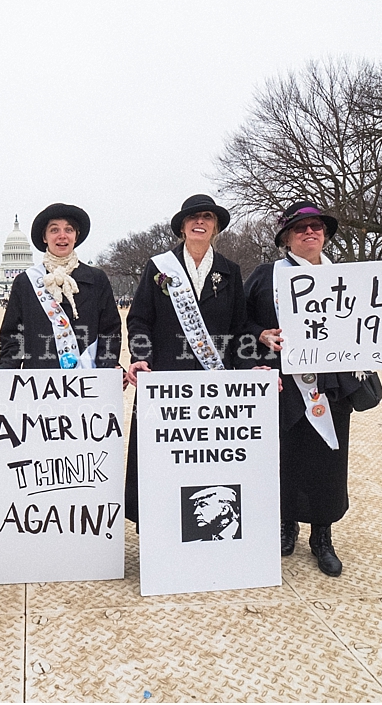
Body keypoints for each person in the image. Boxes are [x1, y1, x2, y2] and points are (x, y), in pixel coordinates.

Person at [244, 201, 367, 578]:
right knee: (284, 458)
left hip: (330, 387)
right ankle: (286, 525)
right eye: (301, 229)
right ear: (286, 239)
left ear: (325, 235)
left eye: (316, 227)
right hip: (282, 384)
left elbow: (374, 323)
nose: (310, 233)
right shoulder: (266, 276)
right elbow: (239, 322)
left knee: (328, 461)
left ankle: (322, 536)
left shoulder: (349, 278)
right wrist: (259, 335)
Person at [125, 194, 258, 527]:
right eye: (193, 218)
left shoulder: (230, 271)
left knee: (208, 458)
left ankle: (207, 530)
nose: (200, 222)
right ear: (182, 227)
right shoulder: (159, 268)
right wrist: (141, 357)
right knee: (160, 459)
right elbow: (139, 319)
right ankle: (158, 529)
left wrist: (247, 367)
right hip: (166, 381)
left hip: (215, 385)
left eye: (208, 218)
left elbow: (240, 328)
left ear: (215, 227)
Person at [0, 203, 121, 375]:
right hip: (40, 380)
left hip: (88, 380)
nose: (62, 236)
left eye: (69, 229)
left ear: (76, 236)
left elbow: (109, 330)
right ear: (44, 237)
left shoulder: (96, 279)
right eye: (54, 230)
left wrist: (108, 367)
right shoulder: (25, 282)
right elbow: (13, 336)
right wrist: (3, 369)